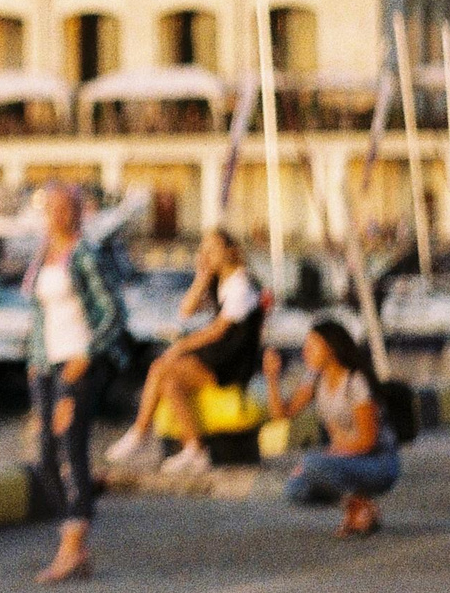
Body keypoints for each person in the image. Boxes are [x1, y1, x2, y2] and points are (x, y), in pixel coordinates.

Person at [23, 183, 130, 584]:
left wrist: (86, 354)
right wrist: (33, 364)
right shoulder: (41, 256)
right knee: (45, 457)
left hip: (79, 364)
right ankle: (75, 538)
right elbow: (37, 316)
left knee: (71, 449)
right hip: (46, 367)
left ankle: (71, 548)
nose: (56, 215)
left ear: (77, 213)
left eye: (64, 208)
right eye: (50, 208)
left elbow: (113, 313)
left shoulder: (86, 255)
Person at [106, 228, 264, 476]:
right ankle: (193, 449)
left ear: (230, 251)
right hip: (220, 357)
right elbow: (187, 310)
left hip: (233, 362)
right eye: (204, 250)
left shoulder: (241, 284)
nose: (206, 254)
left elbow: (218, 331)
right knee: (170, 384)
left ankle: (140, 432)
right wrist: (201, 278)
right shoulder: (220, 282)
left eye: (212, 249)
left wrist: (179, 347)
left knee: (161, 366)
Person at [265, 317, 398, 537]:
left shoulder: (355, 382)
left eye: (312, 346)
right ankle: (359, 507)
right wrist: (272, 377)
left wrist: (323, 457)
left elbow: (368, 441)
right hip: (344, 461)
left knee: (311, 462)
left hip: (379, 463)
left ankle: (358, 510)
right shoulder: (315, 379)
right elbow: (283, 414)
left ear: (331, 348)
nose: (305, 352)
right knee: (295, 488)